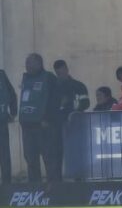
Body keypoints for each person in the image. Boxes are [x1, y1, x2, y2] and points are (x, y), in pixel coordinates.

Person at [15, 54, 59, 184]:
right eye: (26, 63)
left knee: (48, 156)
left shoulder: (48, 78)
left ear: (39, 63)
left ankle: (54, 186)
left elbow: (54, 100)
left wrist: (47, 118)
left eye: (30, 63)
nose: (27, 66)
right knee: (30, 157)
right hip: (27, 124)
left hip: (43, 124)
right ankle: (34, 186)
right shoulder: (26, 78)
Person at [46, 60, 88, 183]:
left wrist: (73, 109)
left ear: (67, 69)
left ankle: (79, 180)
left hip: (74, 125)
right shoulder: (53, 88)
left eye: (62, 71)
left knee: (76, 152)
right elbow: (49, 107)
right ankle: (57, 181)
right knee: (57, 153)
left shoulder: (78, 86)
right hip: (57, 126)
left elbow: (86, 103)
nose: (60, 75)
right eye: (58, 73)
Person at [0, 67, 13, 184]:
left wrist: (13, 112)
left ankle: (6, 182)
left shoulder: (1, 74)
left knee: (4, 154)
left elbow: (11, 93)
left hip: (1, 121)